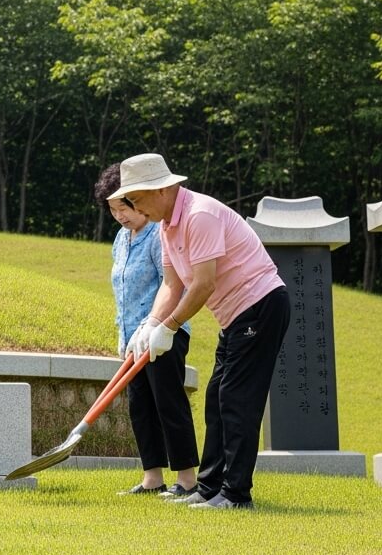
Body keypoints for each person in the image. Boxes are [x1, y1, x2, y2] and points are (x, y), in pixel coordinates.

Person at [114, 153, 289, 511]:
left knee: (237, 402)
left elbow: (204, 284)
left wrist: (171, 326)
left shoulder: (199, 215)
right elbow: (172, 284)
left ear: (161, 189)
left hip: (260, 306)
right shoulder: (165, 227)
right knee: (216, 399)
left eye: (137, 198)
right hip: (235, 317)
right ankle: (210, 488)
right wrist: (151, 324)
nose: (134, 206)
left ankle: (236, 494)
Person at [94, 163, 200, 500]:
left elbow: (173, 284)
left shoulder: (160, 235)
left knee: (168, 402)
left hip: (164, 334)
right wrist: (125, 338)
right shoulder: (121, 240)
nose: (120, 216)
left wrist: (156, 327)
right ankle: (152, 477)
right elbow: (123, 291)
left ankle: (186, 479)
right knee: (140, 406)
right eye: (113, 210)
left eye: (124, 207)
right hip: (132, 340)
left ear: (139, 201)